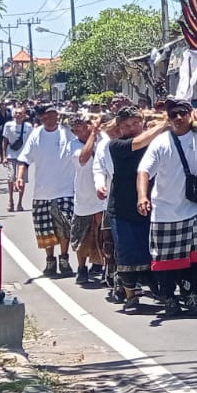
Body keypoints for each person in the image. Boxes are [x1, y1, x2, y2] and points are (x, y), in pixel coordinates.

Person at [137, 101, 197, 316]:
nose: (179, 117)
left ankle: (190, 291)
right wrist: (142, 196)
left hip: (196, 207)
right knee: (165, 262)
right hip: (165, 210)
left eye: (183, 112)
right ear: (168, 118)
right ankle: (169, 297)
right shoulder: (161, 142)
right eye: (173, 114)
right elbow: (144, 170)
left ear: (190, 114)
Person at [16, 103, 79, 276]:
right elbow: (24, 159)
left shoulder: (67, 132)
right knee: (45, 230)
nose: (50, 118)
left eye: (53, 114)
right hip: (42, 192)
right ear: (41, 118)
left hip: (66, 190)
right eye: (46, 115)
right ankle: (50, 260)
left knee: (66, 226)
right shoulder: (36, 135)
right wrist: (20, 177)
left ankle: (64, 258)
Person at [101, 107, 152, 309]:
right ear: (119, 128)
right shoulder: (116, 145)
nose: (131, 128)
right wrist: (164, 124)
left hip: (150, 204)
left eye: (135, 123)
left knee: (150, 250)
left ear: (142, 122)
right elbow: (138, 142)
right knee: (126, 252)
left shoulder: (155, 141)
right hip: (121, 206)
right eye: (126, 125)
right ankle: (130, 295)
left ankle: (160, 290)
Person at [69, 114, 109, 286]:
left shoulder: (104, 139)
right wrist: (93, 134)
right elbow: (83, 159)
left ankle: (105, 267)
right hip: (84, 198)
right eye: (78, 128)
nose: (84, 129)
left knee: (103, 235)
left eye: (86, 125)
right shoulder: (73, 145)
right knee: (82, 236)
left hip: (103, 196)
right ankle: (81, 268)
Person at [1, 105, 33, 211]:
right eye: (16, 113)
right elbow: (4, 141)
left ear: (24, 116)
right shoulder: (8, 125)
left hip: (23, 157)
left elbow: (32, 142)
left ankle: (20, 202)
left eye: (20, 113)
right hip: (11, 155)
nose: (18, 115)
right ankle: (11, 200)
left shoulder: (28, 127)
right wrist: (4, 156)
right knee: (11, 177)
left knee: (21, 180)